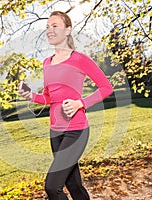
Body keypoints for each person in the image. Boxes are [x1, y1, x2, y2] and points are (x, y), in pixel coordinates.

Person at [18, 11, 113, 200]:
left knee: (52, 188)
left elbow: (106, 87)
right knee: (73, 184)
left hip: (76, 131)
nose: (49, 30)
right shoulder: (47, 62)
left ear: (68, 30)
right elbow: (48, 98)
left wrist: (81, 103)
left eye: (55, 26)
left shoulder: (79, 59)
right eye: (47, 27)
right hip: (55, 132)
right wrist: (30, 95)